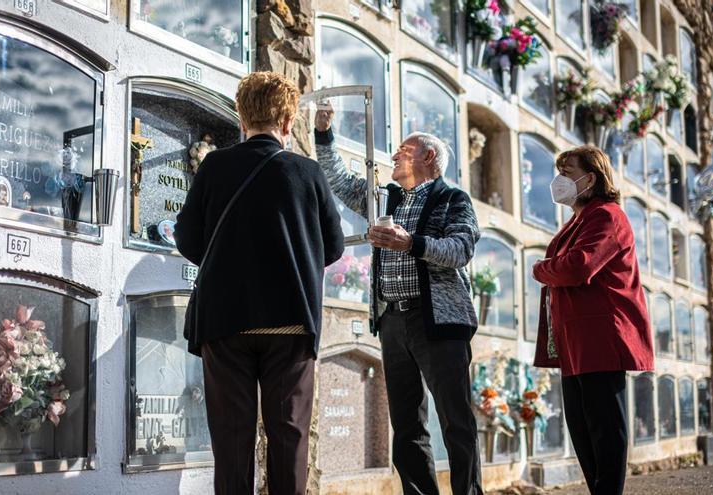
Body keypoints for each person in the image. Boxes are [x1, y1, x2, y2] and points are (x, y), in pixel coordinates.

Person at [175, 71, 344, 495]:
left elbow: (187, 238)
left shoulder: (215, 166)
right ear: (288, 122)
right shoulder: (307, 172)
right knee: (289, 436)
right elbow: (335, 246)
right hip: (290, 323)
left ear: (240, 116)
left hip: (225, 322)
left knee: (232, 440)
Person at [314, 107, 483, 495]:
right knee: (406, 424)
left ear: (428, 157)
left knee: (455, 419)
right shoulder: (386, 198)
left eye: (403, 150)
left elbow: (460, 249)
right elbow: (339, 181)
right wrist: (325, 135)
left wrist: (412, 243)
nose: (392, 156)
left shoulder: (452, 199)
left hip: (438, 322)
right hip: (393, 321)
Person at [532, 146, 654, 495]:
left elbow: (578, 266)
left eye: (568, 172)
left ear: (591, 178)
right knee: (583, 430)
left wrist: (540, 269)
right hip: (576, 342)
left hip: (601, 336)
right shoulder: (579, 221)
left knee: (604, 429)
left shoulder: (607, 216)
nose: (560, 180)